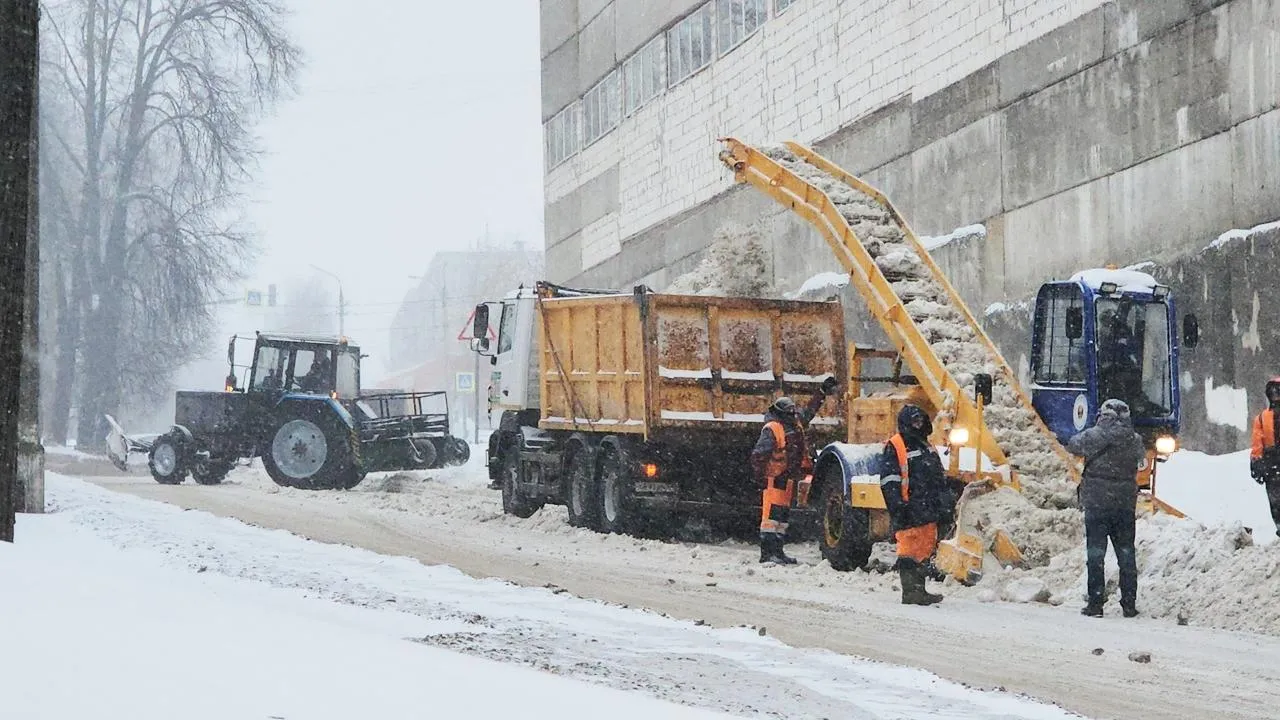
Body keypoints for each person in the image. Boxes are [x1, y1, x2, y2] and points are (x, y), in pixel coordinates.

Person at [1066, 398, 1146, 618]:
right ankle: (1129, 604)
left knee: (1096, 555)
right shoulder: (1135, 439)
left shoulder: (1093, 436)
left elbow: (1072, 444)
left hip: (1097, 505)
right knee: (1126, 555)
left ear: (1103, 416)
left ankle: (1096, 603)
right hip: (1124, 505)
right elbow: (1141, 459)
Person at [750, 376, 839, 564]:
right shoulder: (773, 428)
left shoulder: (793, 424)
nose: (794, 414)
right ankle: (768, 554)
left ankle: (778, 552)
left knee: (781, 519)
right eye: (790, 412)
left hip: (787, 478)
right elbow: (759, 454)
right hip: (775, 478)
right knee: (770, 519)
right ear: (782, 413)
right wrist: (761, 478)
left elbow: (809, 411)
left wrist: (822, 393)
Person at [879, 405, 948, 605]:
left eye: (921, 420)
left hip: (927, 506)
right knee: (909, 548)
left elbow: (937, 475)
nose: (918, 424)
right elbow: (889, 480)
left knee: (924, 547)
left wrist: (944, 501)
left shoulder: (926, 445)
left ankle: (919, 589)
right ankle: (910, 591)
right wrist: (897, 505)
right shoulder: (896, 445)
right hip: (908, 507)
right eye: (914, 421)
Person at [1249, 377, 1280, 538]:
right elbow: (1257, 443)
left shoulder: (1261, 418)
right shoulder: (1261, 418)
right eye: (1274, 392)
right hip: (1271, 465)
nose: (1276, 395)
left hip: (1272, 466)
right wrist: (1256, 463)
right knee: (1276, 502)